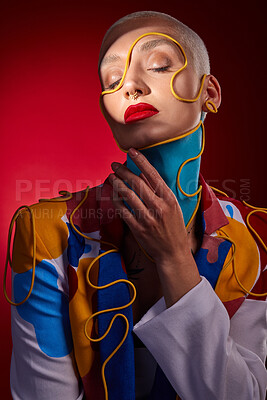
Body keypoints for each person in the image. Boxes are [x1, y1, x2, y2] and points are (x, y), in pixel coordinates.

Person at [5, 10, 267, 400]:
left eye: (160, 65)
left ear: (209, 93)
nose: (132, 86)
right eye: (113, 80)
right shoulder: (45, 234)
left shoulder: (254, 237)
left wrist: (176, 261)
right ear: (107, 114)